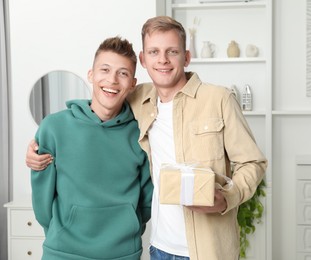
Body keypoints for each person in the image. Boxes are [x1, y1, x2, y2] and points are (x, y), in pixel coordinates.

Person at [26, 16, 267, 260]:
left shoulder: (219, 99)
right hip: (159, 247)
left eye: (172, 51)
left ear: (186, 57)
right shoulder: (140, 101)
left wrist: (226, 199)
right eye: (154, 52)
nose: (162, 60)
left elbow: (253, 163)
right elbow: (103, 103)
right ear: (144, 60)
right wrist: (35, 154)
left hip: (207, 250)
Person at [29, 36, 153, 260]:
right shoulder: (54, 127)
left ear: (132, 84)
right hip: (63, 252)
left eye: (123, 73)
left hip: (123, 253)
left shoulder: (141, 133)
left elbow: (146, 198)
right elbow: (41, 198)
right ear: (91, 75)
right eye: (104, 70)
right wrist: (60, 232)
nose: (112, 80)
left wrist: (129, 230)